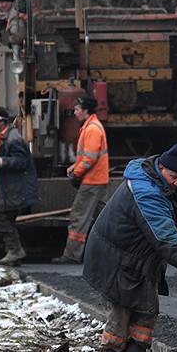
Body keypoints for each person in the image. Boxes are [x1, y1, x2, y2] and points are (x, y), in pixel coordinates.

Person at [82, 142, 177, 352]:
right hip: (117, 259)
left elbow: (173, 205)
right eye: (174, 176)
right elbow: (164, 240)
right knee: (121, 316)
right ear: (161, 167)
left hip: (137, 259)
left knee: (146, 311)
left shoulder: (162, 181)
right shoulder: (146, 192)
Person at [54, 95, 109, 264]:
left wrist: (76, 173)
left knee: (78, 217)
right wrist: (74, 166)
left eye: (77, 109)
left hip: (92, 181)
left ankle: (72, 254)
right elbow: (86, 157)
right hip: (97, 180)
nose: (75, 112)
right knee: (106, 218)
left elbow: (89, 159)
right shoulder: (90, 126)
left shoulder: (92, 129)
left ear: (85, 110)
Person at [0, 107, 40, 267]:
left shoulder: (13, 138)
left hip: (13, 189)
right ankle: (13, 253)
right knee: (5, 218)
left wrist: (3, 162)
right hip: (7, 188)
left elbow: (22, 162)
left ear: (1, 121)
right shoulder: (2, 138)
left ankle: (15, 250)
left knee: (0, 218)